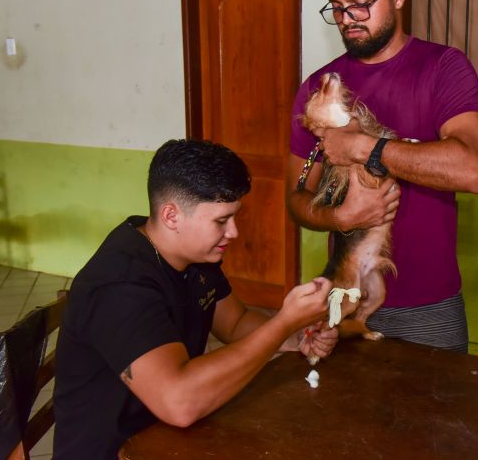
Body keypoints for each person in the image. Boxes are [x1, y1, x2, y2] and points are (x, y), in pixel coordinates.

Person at [53, 139, 338, 460]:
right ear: (172, 216)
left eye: (235, 217)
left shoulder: (193, 257)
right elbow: (180, 403)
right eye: (221, 221)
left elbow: (236, 322)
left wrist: (295, 335)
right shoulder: (118, 284)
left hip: (168, 437)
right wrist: (284, 321)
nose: (233, 233)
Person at [287, 0, 478, 353]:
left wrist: (364, 147)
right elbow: (297, 197)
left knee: (439, 418)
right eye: (338, 8)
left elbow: (473, 170)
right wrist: (340, 218)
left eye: (362, 4)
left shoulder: (443, 68)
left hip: (430, 307)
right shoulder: (319, 89)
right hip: (347, 295)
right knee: (342, 416)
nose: (349, 19)